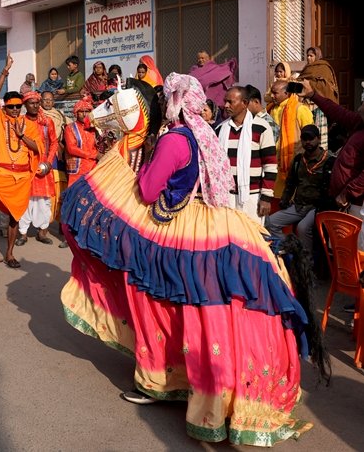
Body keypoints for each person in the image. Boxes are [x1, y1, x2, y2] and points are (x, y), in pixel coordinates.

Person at [60, 72, 317, 445]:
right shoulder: (200, 133)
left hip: (178, 226)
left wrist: (141, 164)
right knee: (195, 306)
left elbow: (148, 191)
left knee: (160, 300)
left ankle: (162, 378)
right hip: (208, 219)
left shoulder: (174, 141)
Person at [0, 54, 43, 268]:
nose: (15, 110)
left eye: (18, 106)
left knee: (15, 216)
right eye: (12, 107)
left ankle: (9, 253)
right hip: (1, 174)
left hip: (22, 177)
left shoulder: (29, 124)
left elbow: (38, 148)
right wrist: (5, 70)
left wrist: (22, 137)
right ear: (6, 107)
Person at [297, 79, 364, 218]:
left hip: (355, 204)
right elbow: (337, 112)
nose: (359, 108)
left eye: (363, 104)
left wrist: (347, 194)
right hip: (343, 201)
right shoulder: (359, 123)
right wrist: (312, 95)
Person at [266, 125, 334, 255]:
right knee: (270, 222)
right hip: (299, 205)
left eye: (311, 138)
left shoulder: (329, 160)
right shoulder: (298, 160)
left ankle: (306, 261)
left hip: (317, 208)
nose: (307, 142)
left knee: (303, 228)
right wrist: (284, 200)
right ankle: (293, 248)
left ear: (318, 139)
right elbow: (290, 183)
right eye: (304, 139)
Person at [216, 86, 277, 223]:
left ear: (244, 103)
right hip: (226, 197)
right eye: (225, 101)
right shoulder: (220, 129)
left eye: (230, 102)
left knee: (251, 240)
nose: (226, 106)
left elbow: (270, 165)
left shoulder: (261, 127)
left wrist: (266, 198)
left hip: (252, 198)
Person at [17, 91, 58, 246]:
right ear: (25, 105)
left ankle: (42, 232)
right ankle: (23, 233)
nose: (34, 105)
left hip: (43, 167)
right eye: (31, 103)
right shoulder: (20, 122)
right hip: (26, 166)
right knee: (25, 200)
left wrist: (48, 162)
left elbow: (53, 143)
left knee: (43, 201)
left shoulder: (47, 122)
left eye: (36, 102)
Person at [268, 80, 313, 197]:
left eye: (275, 93)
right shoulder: (271, 109)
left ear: (286, 93)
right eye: (271, 93)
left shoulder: (300, 109)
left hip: (294, 163)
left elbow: (311, 136)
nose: (272, 96)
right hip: (275, 161)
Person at [40, 90, 68, 222]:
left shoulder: (59, 115)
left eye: (50, 100)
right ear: (40, 101)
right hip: (41, 151)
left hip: (57, 153)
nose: (48, 102)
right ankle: (44, 220)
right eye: (45, 100)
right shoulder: (37, 114)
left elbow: (70, 126)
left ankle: (57, 216)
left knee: (59, 185)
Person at [63, 94, 97, 188]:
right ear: (76, 113)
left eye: (88, 111)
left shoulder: (95, 128)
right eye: (81, 112)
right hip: (77, 170)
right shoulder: (70, 128)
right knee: (75, 196)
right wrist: (93, 155)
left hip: (93, 167)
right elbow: (71, 148)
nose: (85, 114)